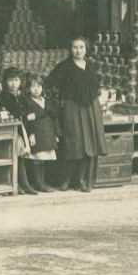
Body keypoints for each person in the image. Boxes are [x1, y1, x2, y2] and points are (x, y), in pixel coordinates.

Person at [46, 36, 107, 192]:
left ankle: (81, 180)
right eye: (75, 47)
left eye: (81, 47)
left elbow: (96, 86)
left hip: (90, 109)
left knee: (88, 145)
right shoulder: (64, 67)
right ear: (70, 49)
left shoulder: (92, 66)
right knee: (72, 144)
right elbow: (50, 83)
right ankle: (66, 180)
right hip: (71, 109)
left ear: (86, 49)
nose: (78, 50)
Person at [0, 67, 37, 195]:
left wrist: (32, 133)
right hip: (12, 131)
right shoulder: (3, 97)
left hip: (24, 129)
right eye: (10, 80)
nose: (13, 84)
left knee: (21, 155)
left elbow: (30, 114)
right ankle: (19, 184)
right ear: (5, 82)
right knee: (15, 155)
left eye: (16, 80)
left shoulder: (22, 97)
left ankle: (23, 184)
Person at [22, 72, 58, 192]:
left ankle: (43, 182)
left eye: (39, 86)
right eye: (33, 87)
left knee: (44, 159)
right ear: (28, 89)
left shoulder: (45, 101)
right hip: (36, 132)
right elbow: (27, 120)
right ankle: (38, 183)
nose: (36, 89)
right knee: (37, 158)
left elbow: (52, 117)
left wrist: (55, 134)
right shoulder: (28, 102)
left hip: (46, 132)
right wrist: (31, 134)